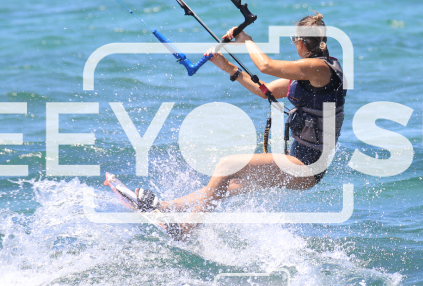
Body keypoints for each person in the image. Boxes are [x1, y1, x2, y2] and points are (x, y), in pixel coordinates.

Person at [131, 13, 346, 240]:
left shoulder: (319, 69)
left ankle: (185, 230)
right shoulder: (313, 71)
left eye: (294, 41)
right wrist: (228, 67)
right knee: (231, 183)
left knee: (227, 166)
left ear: (300, 42)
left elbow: (266, 65)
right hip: (301, 164)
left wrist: (246, 39)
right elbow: (266, 91)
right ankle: (166, 208)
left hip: (306, 167)